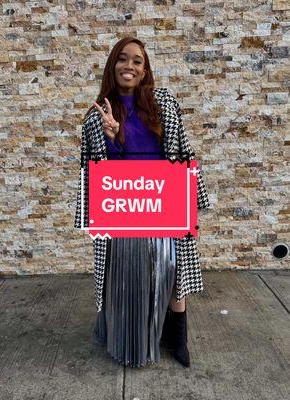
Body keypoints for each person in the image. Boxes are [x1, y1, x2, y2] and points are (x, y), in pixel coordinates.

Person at [74, 37, 211, 368]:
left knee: (175, 269)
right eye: (123, 59)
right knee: (126, 277)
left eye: (137, 61)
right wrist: (111, 137)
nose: (129, 66)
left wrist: (189, 203)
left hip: (165, 201)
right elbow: (98, 174)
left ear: (145, 69)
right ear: (113, 65)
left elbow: (181, 149)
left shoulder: (163, 102)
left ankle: (176, 336)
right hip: (125, 209)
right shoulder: (96, 116)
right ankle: (127, 337)